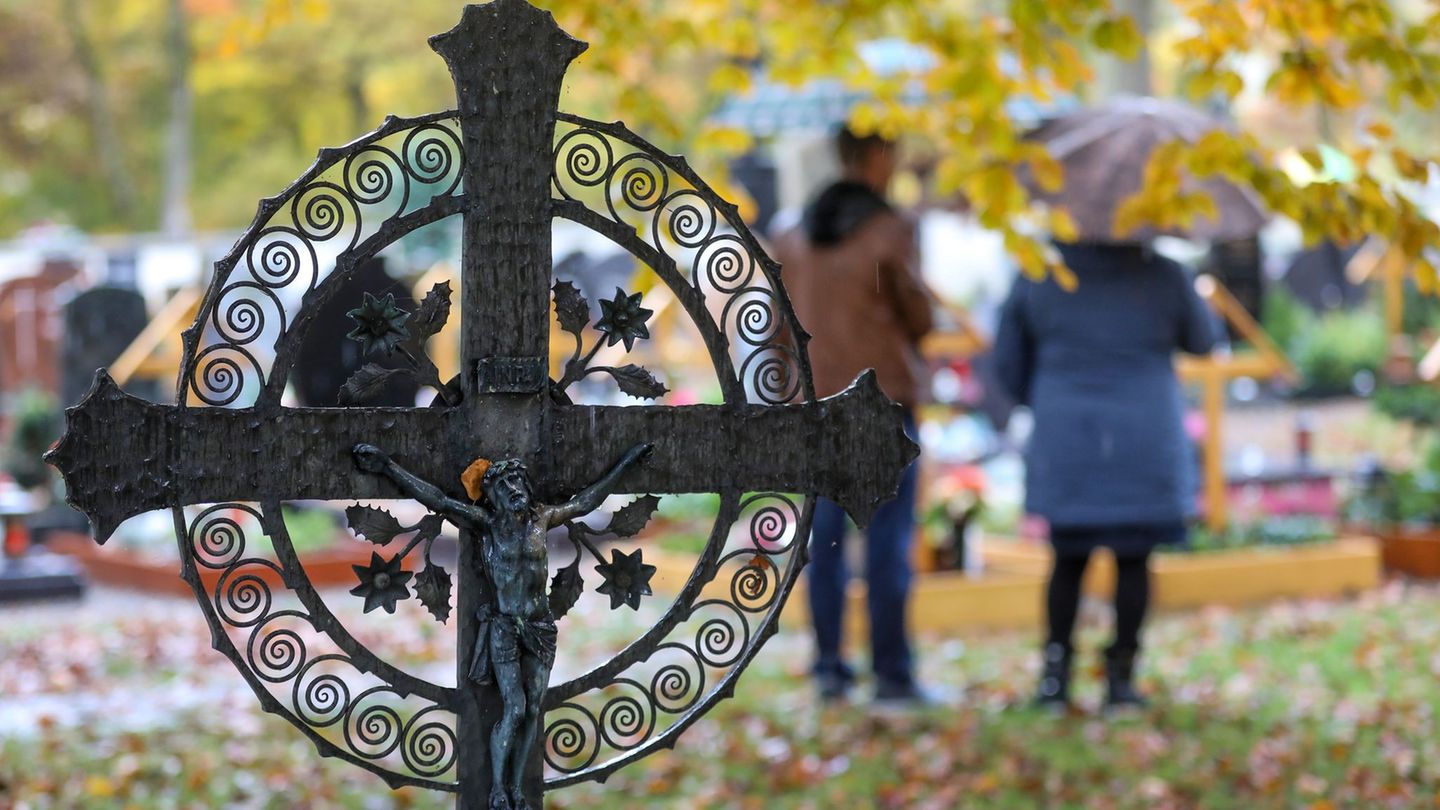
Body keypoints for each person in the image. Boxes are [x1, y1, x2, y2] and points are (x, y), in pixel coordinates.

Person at [353, 441, 652, 810]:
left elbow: (588, 501)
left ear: (526, 488)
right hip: (506, 626)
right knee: (514, 706)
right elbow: (439, 501)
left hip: (540, 625)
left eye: (517, 483)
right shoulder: (487, 525)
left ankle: (516, 788)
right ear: (490, 498)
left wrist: (627, 462)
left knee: (531, 709)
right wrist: (386, 466)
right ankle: (497, 788)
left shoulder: (544, 519)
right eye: (502, 487)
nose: (512, 491)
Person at [992, 241, 1216, 712]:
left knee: (1067, 559)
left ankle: (1056, 678)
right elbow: (1203, 339)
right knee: (1134, 558)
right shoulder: (1166, 274)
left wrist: (1052, 392)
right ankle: (1122, 681)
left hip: (1067, 433)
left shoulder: (1040, 272)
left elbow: (1007, 364)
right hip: (1144, 431)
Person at [775, 127, 936, 704]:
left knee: (825, 546)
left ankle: (828, 670)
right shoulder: (891, 230)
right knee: (889, 544)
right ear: (875, 155)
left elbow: (772, 328)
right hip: (881, 407)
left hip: (814, 407)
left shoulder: (792, 234)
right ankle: (892, 676)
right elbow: (918, 318)